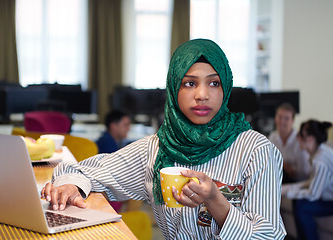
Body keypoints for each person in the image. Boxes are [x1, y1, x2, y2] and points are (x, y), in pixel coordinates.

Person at [41, 39, 286, 239]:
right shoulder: (157, 149)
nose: (202, 95)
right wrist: (71, 186)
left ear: (226, 89)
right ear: (173, 88)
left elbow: (268, 235)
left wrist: (215, 201)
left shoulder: (256, 150)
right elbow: (81, 171)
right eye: (189, 83)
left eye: (214, 83)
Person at [282, 119, 333, 240]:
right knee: (298, 202)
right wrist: (289, 188)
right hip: (326, 196)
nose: (297, 137)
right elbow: (313, 183)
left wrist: (288, 192)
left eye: (300, 135)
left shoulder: (320, 161)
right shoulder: (319, 152)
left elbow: (313, 194)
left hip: (330, 200)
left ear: (310, 139)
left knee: (303, 207)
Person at [269, 103, 310, 183]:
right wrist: (284, 164)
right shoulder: (272, 137)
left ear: (292, 121)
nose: (282, 121)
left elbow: (305, 173)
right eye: (279, 117)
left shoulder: (299, 140)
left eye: (286, 118)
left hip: (297, 182)